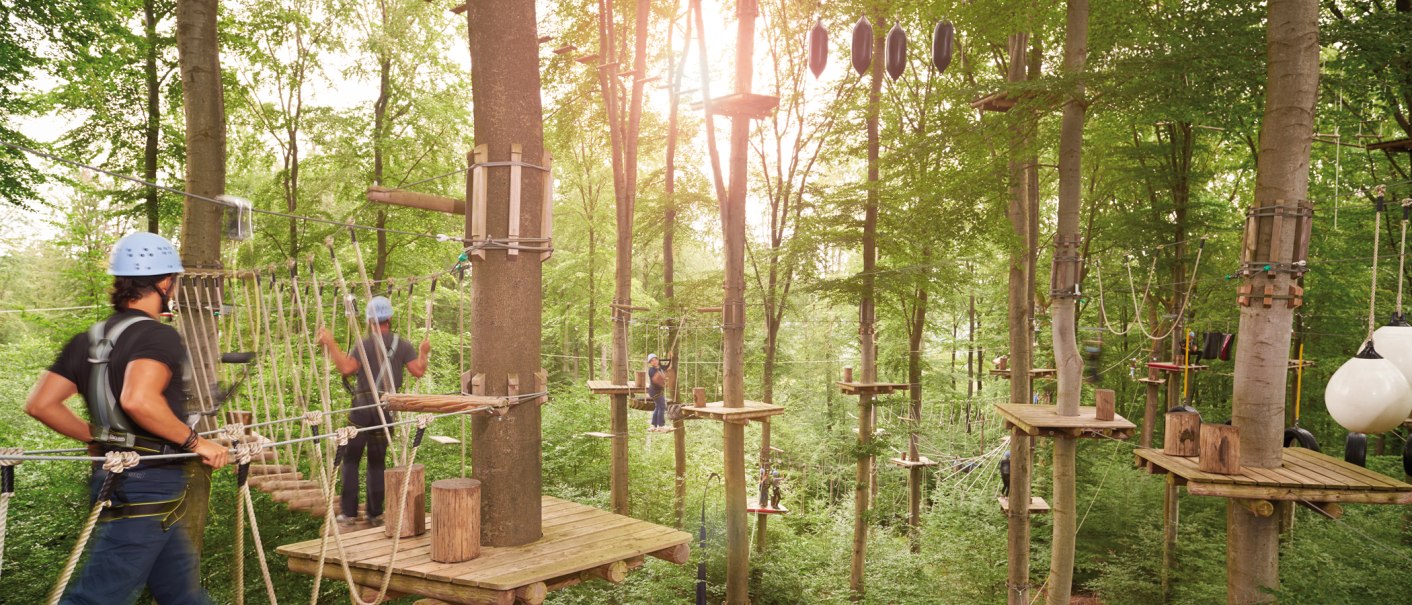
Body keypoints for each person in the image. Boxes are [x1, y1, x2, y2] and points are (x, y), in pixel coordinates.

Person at [24, 231, 228, 605]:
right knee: (97, 598)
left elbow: (41, 404)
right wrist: (197, 443)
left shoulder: (87, 338)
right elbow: (138, 400)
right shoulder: (157, 336)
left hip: (116, 477)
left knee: (181, 594)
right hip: (149, 482)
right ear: (165, 282)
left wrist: (97, 438)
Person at [316, 295, 429, 526]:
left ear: (370, 321)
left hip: (362, 409)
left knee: (351, 460)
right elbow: (418, 371)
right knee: (377, 462)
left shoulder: (363, 344)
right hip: (386, 409)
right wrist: (423, 352)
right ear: (389, 318)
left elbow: (347, 368)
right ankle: (374, 514)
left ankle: (348, 514)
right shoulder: (402, 344)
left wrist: (331, 343)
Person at [646, 353, 668, 432]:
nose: (654, 362)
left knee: (658, 407)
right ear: (650, 363)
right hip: (655, 391)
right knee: (662, 407)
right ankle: (661, 425)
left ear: (658, 360)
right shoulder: (652, 370)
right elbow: (656, 380)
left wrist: (672, 358)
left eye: (655, 360)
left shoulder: (660, 367)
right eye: (652, 361)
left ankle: (654, 425)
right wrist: (664, 382)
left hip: (657, 391)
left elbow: (667, 367)